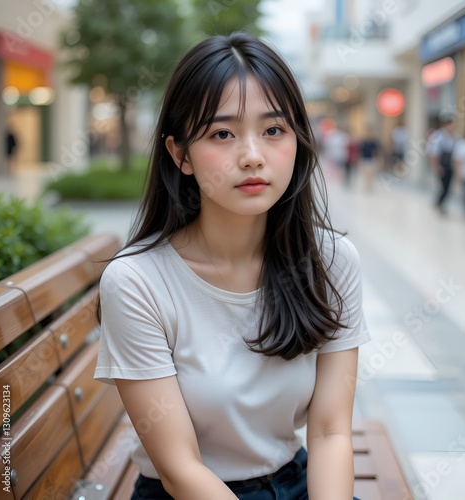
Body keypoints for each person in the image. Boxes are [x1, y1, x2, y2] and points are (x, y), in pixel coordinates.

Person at [93, 32, 371, 500]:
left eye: (274, 130)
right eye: (222, 134)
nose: (252, 156)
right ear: (180, 154)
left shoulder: (331, 261)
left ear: (298, 142)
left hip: (298, 481)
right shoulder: (136, 282)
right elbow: (182, 469)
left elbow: (329, 432)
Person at [427, 117, 459, 215]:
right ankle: (440, 203)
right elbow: (433, 153)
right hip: (442, 164)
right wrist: (437, 166)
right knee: (443, 187)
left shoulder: (455, 136)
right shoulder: (438, 136)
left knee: (448, 187)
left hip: (450, 165)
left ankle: (439, 202)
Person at [358, 125, 381, 192]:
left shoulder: (374, 142)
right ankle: (366, 186)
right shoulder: (363, 142)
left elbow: (377, 151)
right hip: (364, 160)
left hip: (372, 160)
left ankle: (370, 187)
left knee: (371, 175)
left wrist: (379, 160)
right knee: (365, 175)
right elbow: (360, 151)